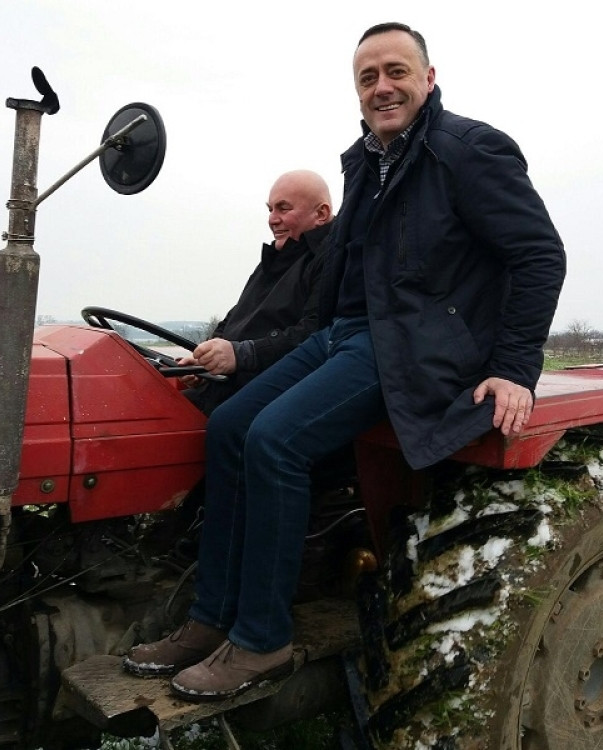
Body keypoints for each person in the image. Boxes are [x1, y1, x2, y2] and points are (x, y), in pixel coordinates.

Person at [124, 22, 566, 701]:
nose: (382, 87)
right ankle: (210, 618)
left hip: (412, 348)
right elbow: (343, 277)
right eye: (368, 78)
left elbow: (539, 254)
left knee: (275, 441)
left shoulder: (468, 151)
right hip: (348, 333)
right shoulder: (364, 160)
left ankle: (263, 640)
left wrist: (513, 367)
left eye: (396, 71)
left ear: (428, 77)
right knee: (229, 427)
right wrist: (291, 342)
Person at [179, 170, 333, 415]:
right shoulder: (272, 261)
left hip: (274, 387)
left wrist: (241, 355)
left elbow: (312, 333)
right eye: (270, 209)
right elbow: (235, 318)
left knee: (223, 424)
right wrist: (205, 359)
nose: (272, 219)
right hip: (229, 384)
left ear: (321, 214)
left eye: (283, 208)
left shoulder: (329, 260)